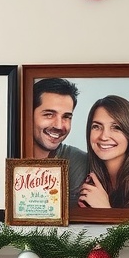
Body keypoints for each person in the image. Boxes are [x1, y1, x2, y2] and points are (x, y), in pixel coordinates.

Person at [77, 95, 129, 209]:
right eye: (96, 127)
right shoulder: (83, 172)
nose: (104, 136)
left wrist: (105, 210)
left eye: (116, 127)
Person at [32, 77, 88, 207]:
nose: (59, 125)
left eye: (66, 117)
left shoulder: (78, 162)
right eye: (49, 114)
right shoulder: (8, 153)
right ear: (27, 113)